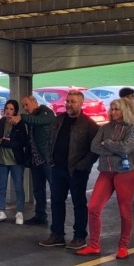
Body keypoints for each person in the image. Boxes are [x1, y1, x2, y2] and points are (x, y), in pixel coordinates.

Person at [76, 99, 134, 259]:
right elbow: (94, 146)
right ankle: (94, 245)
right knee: (93, 207)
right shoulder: (105, 127)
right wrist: (116, 149)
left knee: (125, 210)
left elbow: (126, 148)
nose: (113, 112)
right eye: (111, 109)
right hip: (106, 171)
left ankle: (123, 246)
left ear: (124, 110)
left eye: (116, 109)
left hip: (127, 172)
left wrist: (107, 143)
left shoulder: (133, 129)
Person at [40, 91, 99, 249]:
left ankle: (79, 237)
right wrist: (50, 158)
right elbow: (49, 140)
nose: (69, 104)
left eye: (73, 101)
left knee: (79, 203)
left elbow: (95, 149)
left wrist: (83, 165)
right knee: (56, 201)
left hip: (77, 171)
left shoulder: (89, 125)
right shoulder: (58, 120)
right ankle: (57, 235)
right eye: (67, 101)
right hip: (57, 168)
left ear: (81, 103)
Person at [0, 100, 28, 225]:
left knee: (18, 187)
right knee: (1, 186)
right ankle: (0, 210)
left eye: (11, 109)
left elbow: (24, 142)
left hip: (16, 160)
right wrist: (0, 141)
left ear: (15, 111)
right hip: (1, 160)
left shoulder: (20, 125)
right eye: (7, 108)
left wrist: (9, 143)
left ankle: (19, 212)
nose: (8, 111)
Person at [18, 95, 54, 226]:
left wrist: (21, 117)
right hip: (36, 160)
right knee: (38, 190)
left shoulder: (46, 113)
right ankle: (40, 215)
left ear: (35, 102)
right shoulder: (32, 118)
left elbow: (38, 121)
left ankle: (57, 217)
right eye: (23, 106)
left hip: (47, 159)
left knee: (55, 189)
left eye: (26, 104)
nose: (25, 108)